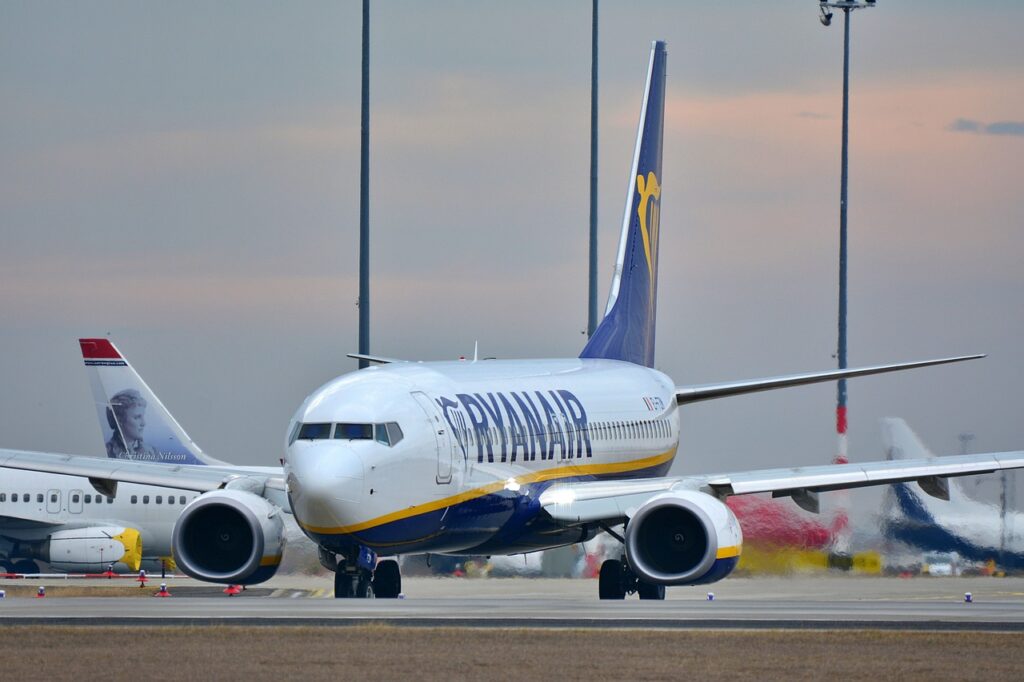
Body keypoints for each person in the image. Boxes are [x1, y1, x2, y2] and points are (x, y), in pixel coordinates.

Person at [105, 389, 160, 460]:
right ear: (119, 420)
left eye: (142, 416)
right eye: (137, 417)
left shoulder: (153, 452)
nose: (143, 423)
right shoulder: (108, 452)